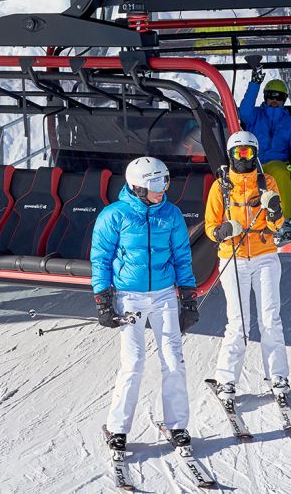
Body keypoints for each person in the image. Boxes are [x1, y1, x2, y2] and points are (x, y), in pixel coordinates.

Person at [91, 156, 200, 452]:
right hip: (130, 296)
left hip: (165, 295)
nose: (162, 189)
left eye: (164, 181)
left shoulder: (172, 214)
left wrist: (188, 298)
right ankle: (117, 428)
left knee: (173, 361)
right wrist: (102, 299)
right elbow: (100, 258)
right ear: (137, 186)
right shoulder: (114, 215)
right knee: (134, 362)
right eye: (155, 183)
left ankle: (177, 424)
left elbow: (181, 257)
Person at [205, 130, 291, 404]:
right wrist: (223, 231)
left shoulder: (267, 182)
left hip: (265, 255)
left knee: (270, 320)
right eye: (239, 153)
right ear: (231, 155)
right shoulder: (221, 187)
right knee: (239, 322)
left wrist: (276, 211)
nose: (244, 158)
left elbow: (278, 225)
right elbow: (210, 227)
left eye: (249, 153)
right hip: (235, 258)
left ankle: (277, 376)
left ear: (256, 154)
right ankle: (226, 380)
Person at [239, 67, 291, 242]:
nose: (274, 101)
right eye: (270, 96)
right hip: (254, 162)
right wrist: (255, 83)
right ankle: (248, 227)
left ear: (283, 100)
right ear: (265, 97)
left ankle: (284, 222)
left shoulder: (290, 123)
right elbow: (244, 111)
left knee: (280, 173)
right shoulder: (255, 115)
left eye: (278, 97)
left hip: (277, 162)